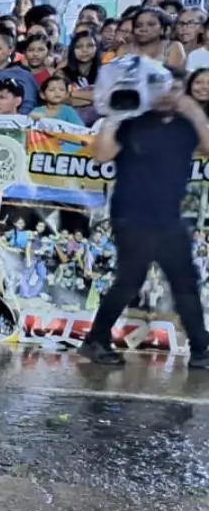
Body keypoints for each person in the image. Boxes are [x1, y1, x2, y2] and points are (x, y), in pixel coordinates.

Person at [79, 82, 209, 370]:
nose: (167, 94)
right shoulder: (133, 120)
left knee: (185, 283)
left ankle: (201, 350)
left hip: (168, 218)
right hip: (132, 215)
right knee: (129, 282)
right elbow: (101, 154)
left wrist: (195, 112)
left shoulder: (185, 126)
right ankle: (96, 340)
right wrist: (113, 116)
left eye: (175, 89)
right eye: (161, 87)